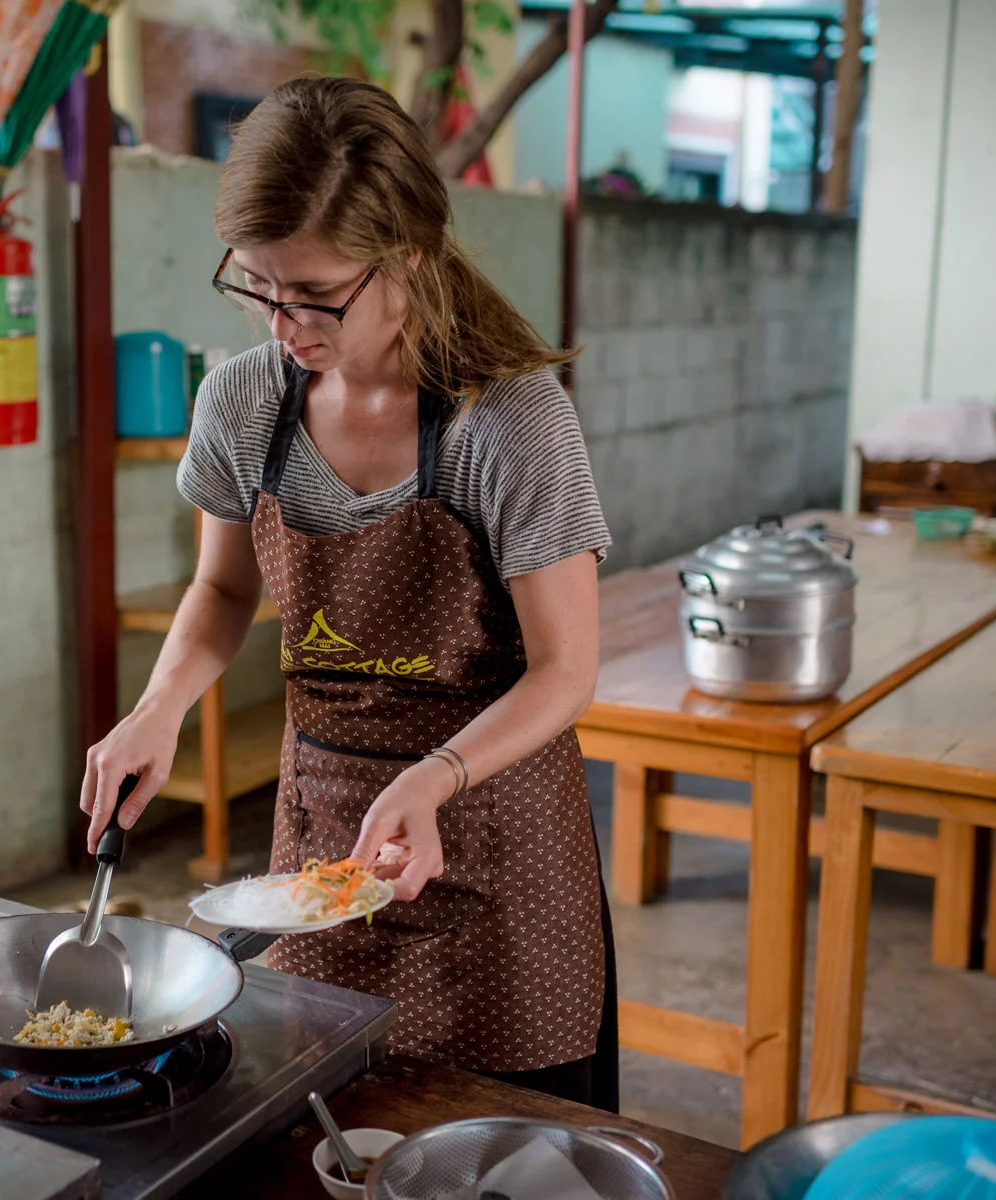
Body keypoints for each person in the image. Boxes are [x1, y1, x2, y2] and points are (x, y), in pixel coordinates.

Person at [78, 76, 618, 1109]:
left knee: (500, 1144)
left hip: (492, 839)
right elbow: (221, 591)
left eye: (316, 295)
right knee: (320, 1121)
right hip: (319, 839)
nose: (283, 323)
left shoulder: (505, 420)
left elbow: (566, 668)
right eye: (256, 287)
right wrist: (159, 709)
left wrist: (433, 779)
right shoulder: (242, 402)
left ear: (406, 255)